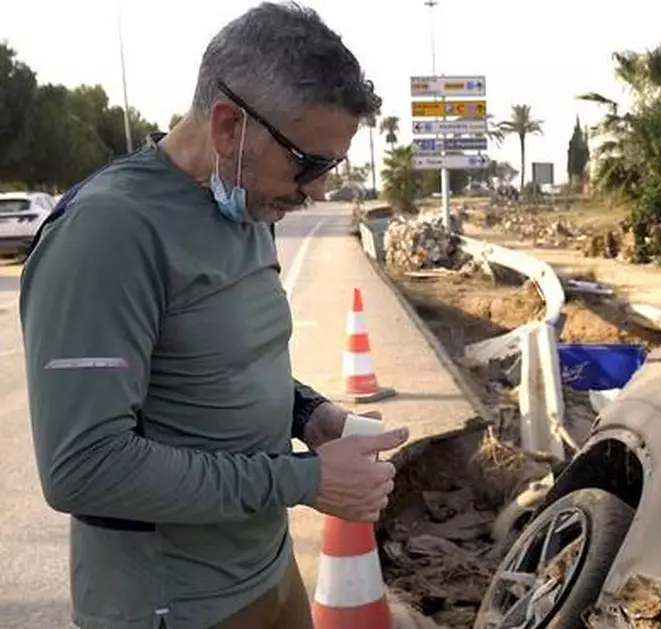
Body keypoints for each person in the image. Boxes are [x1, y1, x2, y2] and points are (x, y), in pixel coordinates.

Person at [19, 3, 406, 628]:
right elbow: (83, 468)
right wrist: (303, 481)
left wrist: (309, 414)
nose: (318, 192)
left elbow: (225, 365)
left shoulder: (246, 205)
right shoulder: (110, 232)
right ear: (230, 126)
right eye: (308, 164)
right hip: (176, 605)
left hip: (267, 569)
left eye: (331, 168)